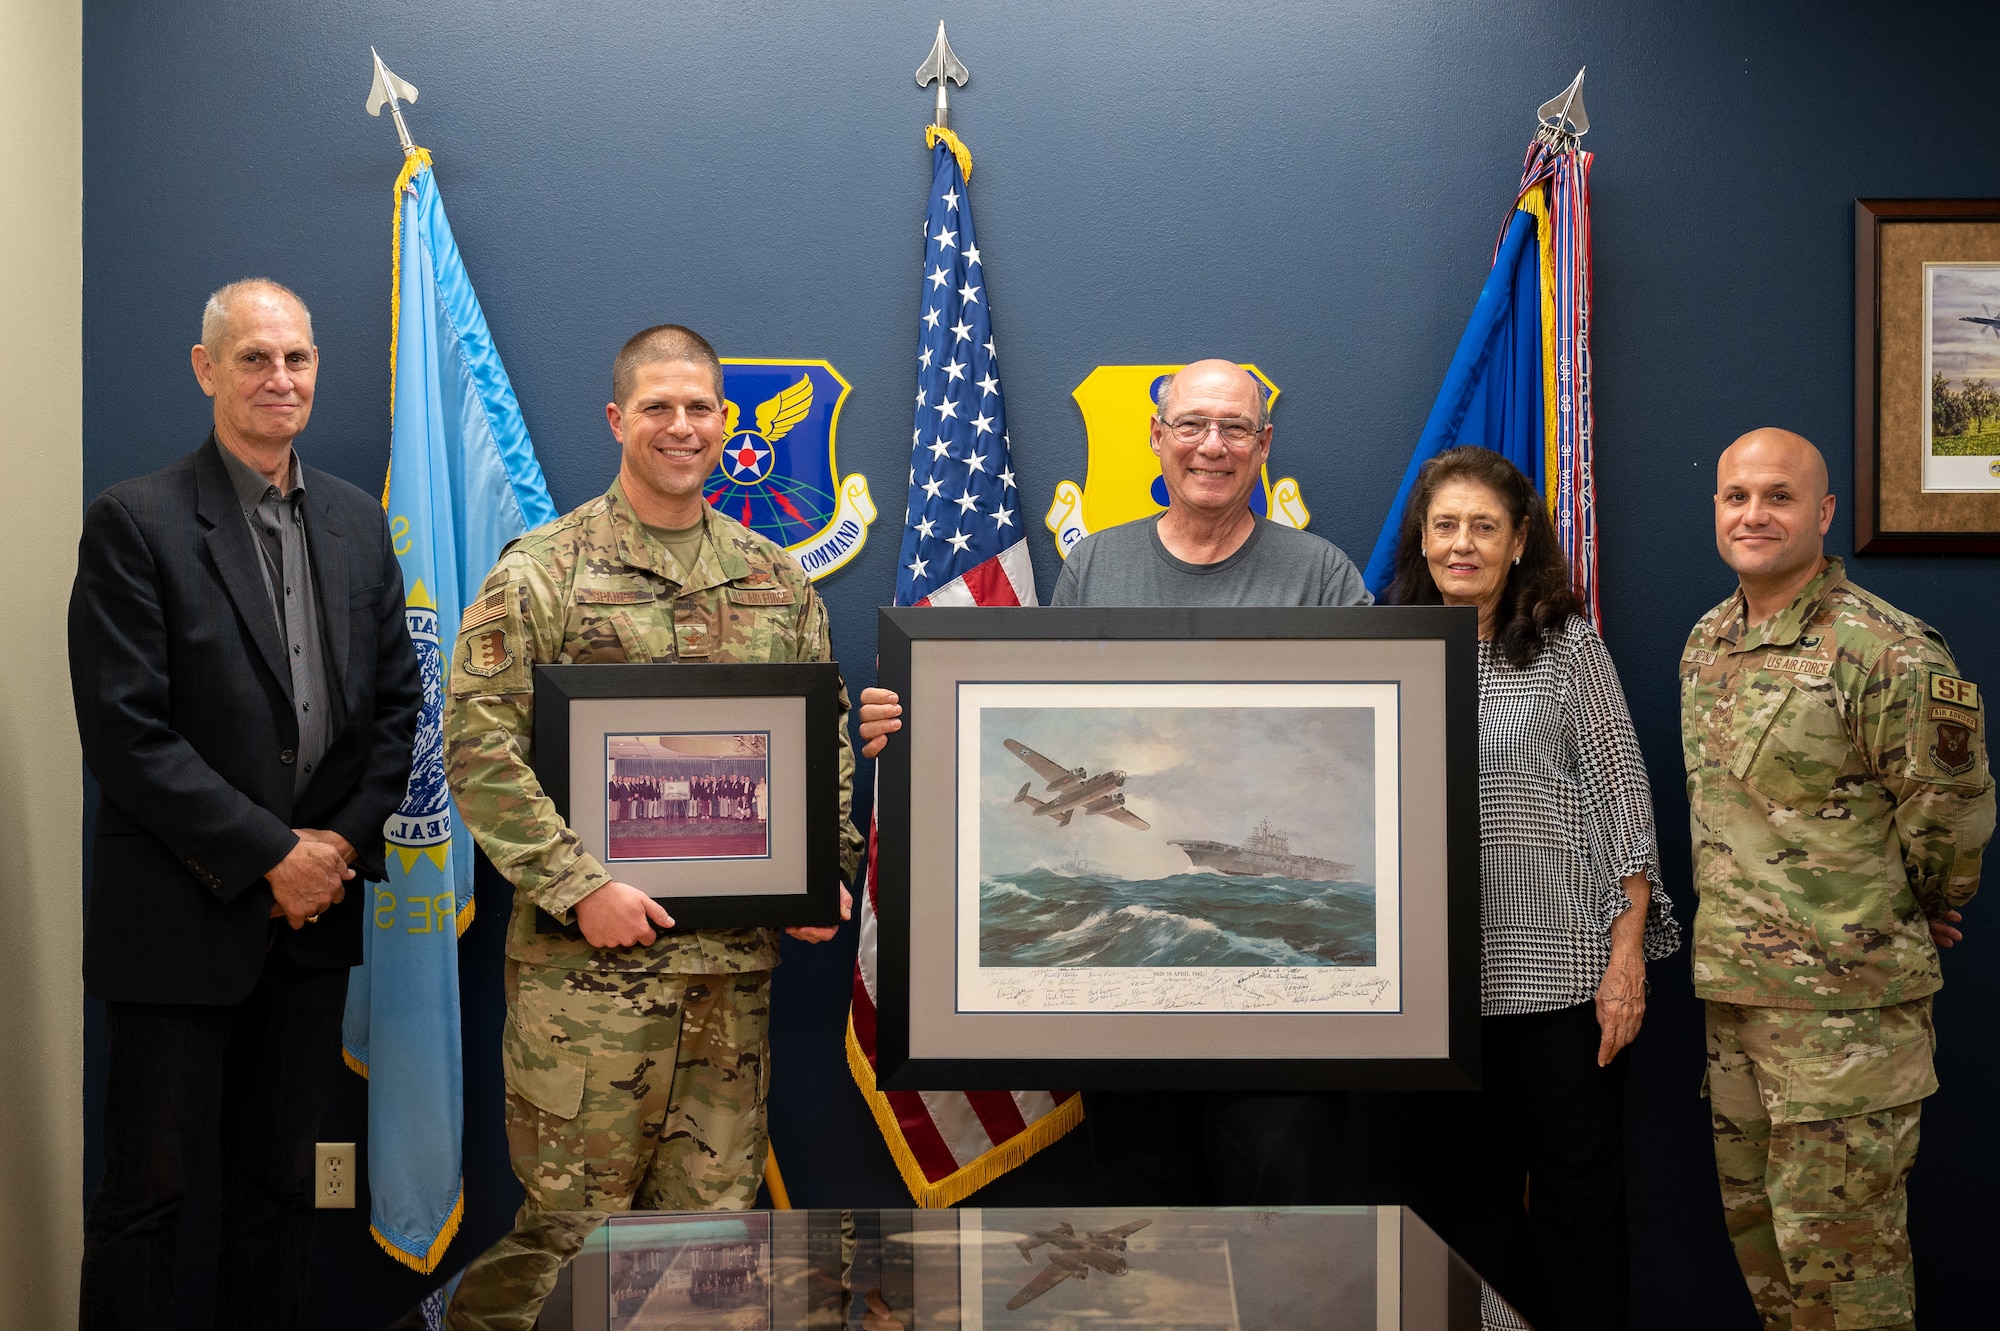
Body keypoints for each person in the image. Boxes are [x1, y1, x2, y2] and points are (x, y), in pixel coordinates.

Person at [858, 358, 1369, 1205]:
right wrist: (912, 720)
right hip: (1133, 982)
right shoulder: (1095, 566)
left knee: (1284, 1204)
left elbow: (1371, 745)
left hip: (1291, 999)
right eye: (1193, 424)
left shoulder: (1323, 575)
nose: (1214, 445)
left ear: (1264, 444)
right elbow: (1043, 711)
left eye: (1236, 427)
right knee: (1143, 1214)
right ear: (1157, 438)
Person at [442, 324, 865, 1331]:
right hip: (584, 992)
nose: (682, 426)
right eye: (658, 407)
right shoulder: (542, 572)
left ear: (725, 422)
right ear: (617, 419)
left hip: (728, 984)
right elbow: (477, 744)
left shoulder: (775, 576)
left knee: (711, 1257)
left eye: (700, 408)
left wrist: (821, 867)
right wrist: (579, 882)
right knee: (568, 1240)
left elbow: (825, 735)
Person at [67, 279, 422, 1330]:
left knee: (276, 1192)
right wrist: (273, 851)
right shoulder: (136, 519)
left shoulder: (358, 522)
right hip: (184, 914)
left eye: (297, 359)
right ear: (205, 367)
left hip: (311, 920)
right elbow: (128, 734)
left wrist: (333, 851)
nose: (280, 378)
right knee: (145, 1199)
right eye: (256, 357)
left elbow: (398, 710)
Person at [1683, 428, 1992, 1331]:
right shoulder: (1709, 640)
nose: (1753, 513)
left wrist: (1917, 908)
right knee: (1771, 1270)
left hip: (1847, 1026)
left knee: (1847, 1285)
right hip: (1738, 1004)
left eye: (1778, 496)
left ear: (1822, 513)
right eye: (1736, 495)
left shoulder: (1888, 652)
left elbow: (1953, 812)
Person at [1375, 446, 1679, 1330]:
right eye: (1445, 525)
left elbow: (1624, 801)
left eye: (1483, 525)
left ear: (1518, 544)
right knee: (1469, 1206)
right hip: (1438, 988)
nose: (1461, 543)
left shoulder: (1564, 647)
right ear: (1421, 541)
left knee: (1577, 1199)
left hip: (1562, 977)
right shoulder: (1390, 651)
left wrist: (1627, 958)